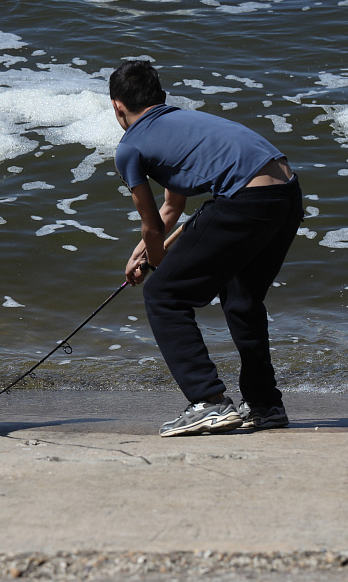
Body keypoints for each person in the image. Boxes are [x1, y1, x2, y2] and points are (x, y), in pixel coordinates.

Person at [110, 60, 303, 437]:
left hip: (245, 200)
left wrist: (158, 267)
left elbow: (152, 223)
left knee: (162, 295)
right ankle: (265, 406)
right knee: (241, 298)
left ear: (118, 106)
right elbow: (172, 208)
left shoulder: (129, 147)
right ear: (161, 97)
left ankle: (208, 402)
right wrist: (142, 253)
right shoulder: (183, 122)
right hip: (286, 193)